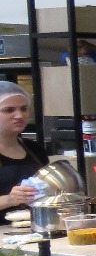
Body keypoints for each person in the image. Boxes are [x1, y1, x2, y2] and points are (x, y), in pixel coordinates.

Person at [0, 82, 48, 217]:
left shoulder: (35, 149)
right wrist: (10, 200)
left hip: (35, 225)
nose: (19, 115)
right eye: (9, 110)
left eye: (24, 109)